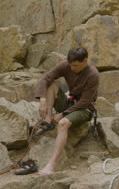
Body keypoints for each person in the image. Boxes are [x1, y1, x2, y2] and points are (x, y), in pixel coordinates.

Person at [34, 46, 99, 175]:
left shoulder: (93, 75)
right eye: (70, 65)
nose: (72, 68)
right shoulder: (66, 65)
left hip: (84, 109)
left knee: (63, 123)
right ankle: (47, 122)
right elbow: (45, 79)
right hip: (69, 103)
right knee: (51, 84)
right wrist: (42, 99)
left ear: (85, 61)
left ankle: (51, 166)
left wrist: (63, 114)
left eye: (75, 65)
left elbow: (84, 102)